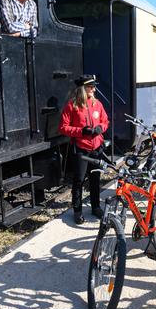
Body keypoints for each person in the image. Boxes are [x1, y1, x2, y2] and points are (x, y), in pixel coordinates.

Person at [59, 75, 109, 224]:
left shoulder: (97, 104)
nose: (94, 89)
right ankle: (77, 210)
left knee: (95, 179)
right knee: (79, 180)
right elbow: (63, 127)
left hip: (97, 148)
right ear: (83, 88)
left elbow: (105, 121)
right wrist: (82, 131)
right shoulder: (72, 106)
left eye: (94, 86)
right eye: (91, 86)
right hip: (82, 149)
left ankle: (96, 207)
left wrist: (101, 128)